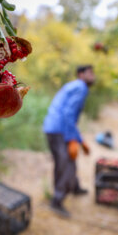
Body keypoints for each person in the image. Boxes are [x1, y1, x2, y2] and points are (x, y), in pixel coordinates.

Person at [43, 65, 95, 217]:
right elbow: (68, 114)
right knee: (64, 164)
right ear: (81, 74)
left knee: (68, 161)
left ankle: (74, 187)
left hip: (55, 127)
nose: (93, 76)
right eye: (90, 73)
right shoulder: (81, 87)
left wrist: (76, 138)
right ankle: (57, 201)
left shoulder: (73, 85)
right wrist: (74, 138)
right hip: (58, 129)